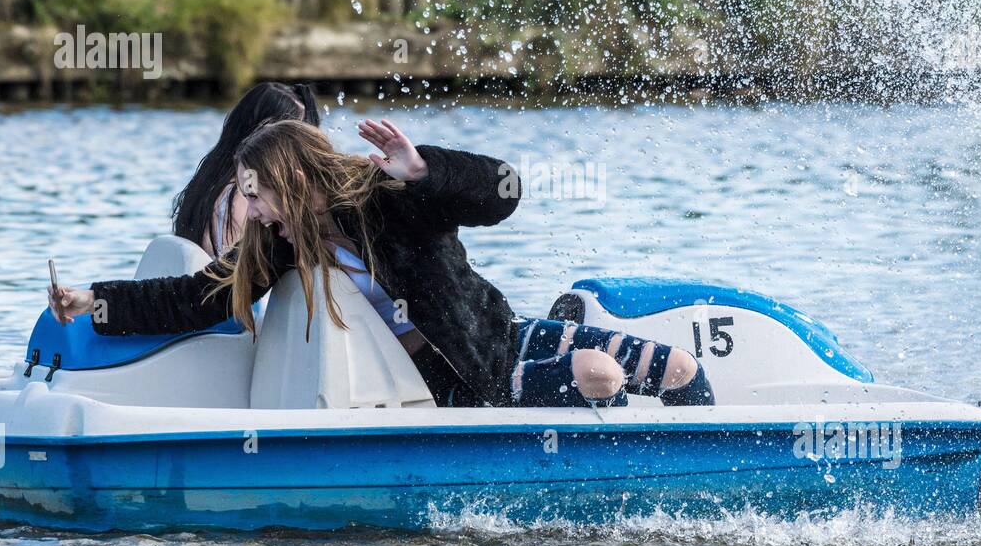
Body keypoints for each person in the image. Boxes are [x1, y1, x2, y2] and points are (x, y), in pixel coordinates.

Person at [49, 119, 714, 409]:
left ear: (296, 178)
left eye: (258, 195)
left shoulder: (391, 198)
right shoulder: (283, 244)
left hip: (503, 337)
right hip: (462, 388)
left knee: (681, 367)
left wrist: (425, 170)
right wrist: (93, 301)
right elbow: (196, 297)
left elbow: (502, 192)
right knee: (598, 373)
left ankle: (706, 475)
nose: (250, 213)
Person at [171, 81, 320, 258]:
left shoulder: (209, 180)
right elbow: (236, 273)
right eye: (293, 135)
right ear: (266, 135)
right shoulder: (244, 194)